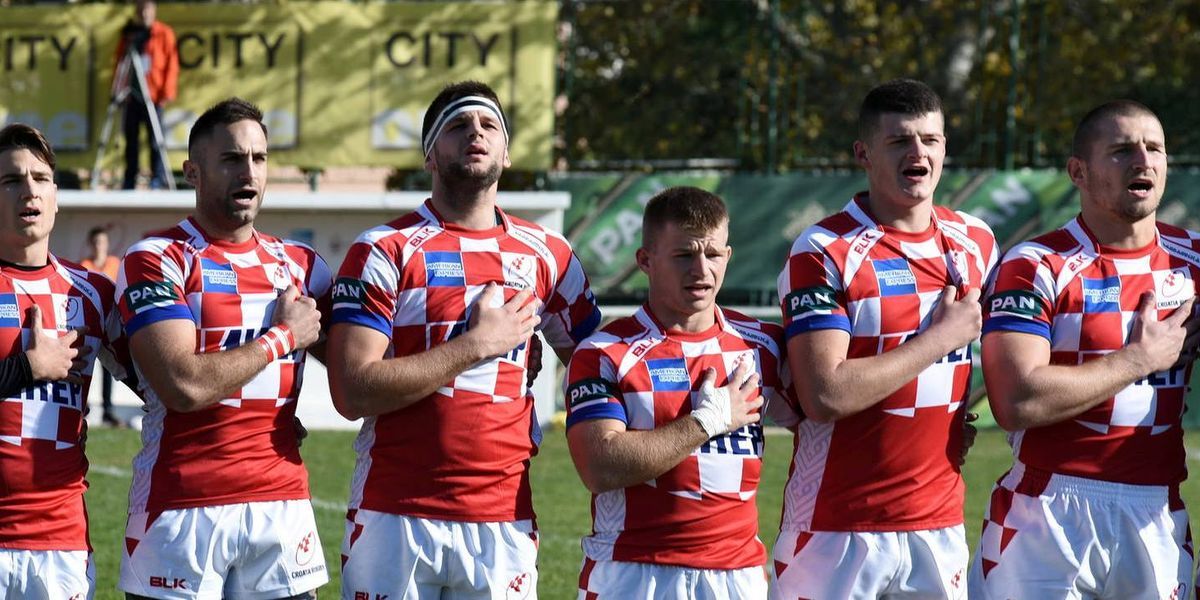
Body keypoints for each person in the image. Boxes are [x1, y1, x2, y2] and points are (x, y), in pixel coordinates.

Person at [329, 80, 600, 599]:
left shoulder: (550, 254)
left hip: (502, 517)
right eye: (457, 125)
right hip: (394, 512)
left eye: (489, 125)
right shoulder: (384, 249)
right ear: (430, 155)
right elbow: (352, 390)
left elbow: (604, 371)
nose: (476, 132)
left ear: (507, 152)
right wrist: (476, 346)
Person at [773, 78, 998, 599]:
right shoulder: (824, 249)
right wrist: (939, 340)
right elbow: (825, 394)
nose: (918, 153)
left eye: (930, 139)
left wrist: (953, 417)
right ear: (864, 154)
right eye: (899, 141)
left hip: (938, 523)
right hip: (834, 527)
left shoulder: (977, 241)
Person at [969, 101, 1197, 599]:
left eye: (1154, 148)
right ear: (1078, 172)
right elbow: (1017, 400)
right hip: (1047, 514)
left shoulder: (1193, 263)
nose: (1143, 160)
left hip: (1158, 513)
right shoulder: (1036, 264)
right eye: (1121, 150)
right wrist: (1139, 360)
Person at [115, 97, 331, 598]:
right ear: (192, 172)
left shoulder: (303, 265)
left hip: (283, 506)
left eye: (259, 158)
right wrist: (282, 337)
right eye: (232, 159)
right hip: (180, 508)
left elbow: (360, 375)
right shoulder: (157, 257)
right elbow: (183, 385)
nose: (248, 172)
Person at [564, 186, 795, 599]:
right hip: (632, 573)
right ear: (645, 261)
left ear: (728, 256)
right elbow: (600, 467)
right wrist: (708, 421)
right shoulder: (605, 352)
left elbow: (827, 421)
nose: (701, 269)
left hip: (735, 577)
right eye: (684, 255)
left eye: (714, 254)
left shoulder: (763, 346)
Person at [0, 123, 136, 598]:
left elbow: (165, 387)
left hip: (60, 543)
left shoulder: (93, 293)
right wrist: (28, 368)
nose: (29, 190)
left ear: (56, 197)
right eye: (11, 180)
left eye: (40, 178)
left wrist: (259, 419)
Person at [114, 0, 178, 190]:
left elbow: (171, 65)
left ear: (153, 10)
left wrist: (166, 92)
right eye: (141, 10)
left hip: (154, 96)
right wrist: (119, 90)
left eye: (147, 9)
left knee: (155, 141)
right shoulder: (129, 35)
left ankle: (157, 178)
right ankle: (129, 179)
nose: (144, 14)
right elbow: (120, 62)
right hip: (132, 96)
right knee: (131, 141)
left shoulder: (164, 33)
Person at [80, 225, 121, 426]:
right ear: (91, 244)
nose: (99, 246)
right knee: (84, 366)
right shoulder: (85, 265)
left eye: (103, 242)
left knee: (109, 369)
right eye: (96, 242)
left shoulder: (115, 264)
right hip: (90, 323)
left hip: (110, 323)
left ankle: (108, 410)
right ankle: (82, 407)